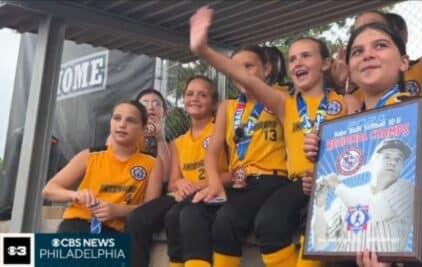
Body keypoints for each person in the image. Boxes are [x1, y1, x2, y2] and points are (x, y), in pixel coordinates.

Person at [189, 6, 360, 267]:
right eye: (292, 59)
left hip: (335, 181)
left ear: (325, 64)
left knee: (318, 224)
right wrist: (204, 50)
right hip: (297, 184)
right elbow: (244, 76)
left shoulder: (347, 101)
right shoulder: (284, 103)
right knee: (268, 222)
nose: (298, 63)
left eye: (306, 56)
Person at [305, 22, 422, 267]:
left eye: (380, 46)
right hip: (352, 248)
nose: (368, 54)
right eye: (357, 52)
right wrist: (317, 178)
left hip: (409, 249)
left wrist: (392, 242)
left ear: (404, 61)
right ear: (349, 68)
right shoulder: (344, 128)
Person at [125, 76, 228, 267]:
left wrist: (199, 185)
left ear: (214, 104)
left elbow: (232, 173)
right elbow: (173, 182)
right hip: (181, 195)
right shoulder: (178, 142)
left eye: (202, 95)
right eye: (190, 94)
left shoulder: (223, 131)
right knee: (137, 218)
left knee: (179, 215)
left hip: (209, 193)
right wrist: (180, 183)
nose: (195, 98)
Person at [42, 100, 164, 233]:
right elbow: (49, 190)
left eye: (131, 120)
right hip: (77, 225)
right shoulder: (89, 155)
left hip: (116, 233)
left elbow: (150, 209)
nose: (122, 124)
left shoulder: (152, 162)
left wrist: (117, 210)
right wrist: (74, 195)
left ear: (143, 128)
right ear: (111, 123)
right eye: (117, 118)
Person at [312, 139, 414, 253]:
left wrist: (337, 186)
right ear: (373, 161)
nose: (393, 162)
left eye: (398, 159)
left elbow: (377, 210)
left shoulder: (407, 190)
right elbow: (320, 243)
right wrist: (319, 206)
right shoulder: (344, 197)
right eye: (387, 157)